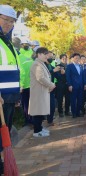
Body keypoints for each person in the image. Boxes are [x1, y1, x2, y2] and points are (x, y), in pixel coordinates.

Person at [0, 4, 20, 173]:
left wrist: (16, 96)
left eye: (11, 21)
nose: (8, 24)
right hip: (0, 97)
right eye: (5, 19)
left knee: (3, 136)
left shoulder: (7, 42)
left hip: (9, 98)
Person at [28, 47, 56, 137]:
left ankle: (39, 128)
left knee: (40, 112)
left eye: (47, 54)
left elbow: (46, 76)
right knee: (37, 112)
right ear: (39, 54)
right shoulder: (36, 64)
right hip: (38, 92)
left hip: (41, 91)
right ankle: (37, 131)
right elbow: (40, 78)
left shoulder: (41, 63)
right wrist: (51, 85)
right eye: (45, 54)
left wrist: (50, 84)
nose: (47, 56)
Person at [66, 53, 86, 118]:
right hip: (73, 86)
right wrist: (69, 85)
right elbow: (68, 76)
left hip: (80, 86)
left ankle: (78, 112)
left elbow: (82, 76)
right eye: (76, 58)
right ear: (73, 58)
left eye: (78, 58)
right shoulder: (69, 66)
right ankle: (74, 113)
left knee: (80, 100)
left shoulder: (80, 66)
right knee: (73, 100)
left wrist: (85, 84)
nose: (77, 59)